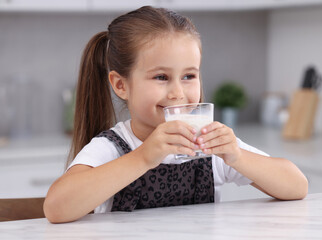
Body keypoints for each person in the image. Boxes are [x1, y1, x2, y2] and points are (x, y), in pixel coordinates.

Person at [44, 6, 308, 223]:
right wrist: (144, 157)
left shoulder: (207, 145)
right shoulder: (111, 148)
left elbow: (297, 186)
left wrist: (237, 157)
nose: (177, 92)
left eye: (189, 76)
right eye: (161, 77)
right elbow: (56, 208)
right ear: (121, 85)